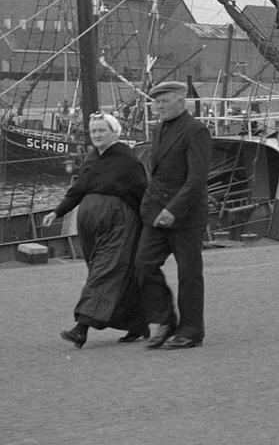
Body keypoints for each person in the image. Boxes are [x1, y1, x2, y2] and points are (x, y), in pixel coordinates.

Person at [54, 112, 149, 347]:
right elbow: (79, 188)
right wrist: (58, 211)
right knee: (110, 271)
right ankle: (137, 322)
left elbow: (142, 192)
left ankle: (81, 327)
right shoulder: (92, 158)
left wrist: (151, 223)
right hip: (91, 224)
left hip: (119, 221)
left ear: (114, 132)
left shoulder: (127, 160)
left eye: (101, 130)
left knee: (105, 271)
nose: (96, 135)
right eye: (93, 131)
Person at [135, 80, 213, 350]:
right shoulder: (159, 129)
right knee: (143, 265)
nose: (158, 106)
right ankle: (165, 320)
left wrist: (173, 210)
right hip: (156, 212)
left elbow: (197, 178)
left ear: (182, 101)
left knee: (189, 274)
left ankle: (191, 331)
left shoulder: (196, 131)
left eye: (164, 101)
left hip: (185, 215)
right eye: (157, 101)